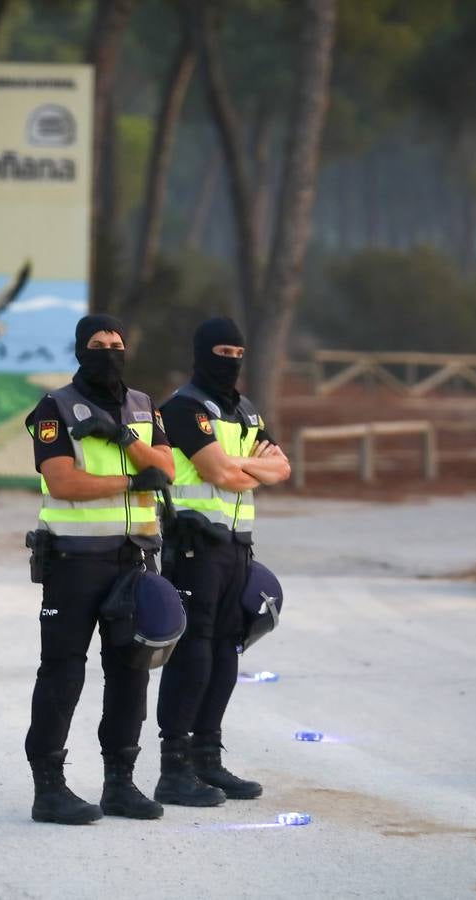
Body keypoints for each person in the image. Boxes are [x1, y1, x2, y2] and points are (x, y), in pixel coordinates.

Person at [23, 314, 176, 825]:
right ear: (80, 351)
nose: (109, 351)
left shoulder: (142, 405)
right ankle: (49, 788)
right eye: (98, 344)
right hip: (74, 561)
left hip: (133, 560)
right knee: (63, 672)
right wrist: (135, 480)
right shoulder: (55, 407)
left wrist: (120, 438)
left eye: (116, 343)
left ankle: (120, 783)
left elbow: (168, 471)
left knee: (131, 673)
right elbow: (63, 481)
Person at [154, 316, 291, 806]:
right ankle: (174, 769)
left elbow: (282, 467)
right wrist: (250, 469)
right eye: (222, 353)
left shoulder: (246, 411)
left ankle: (208, 760)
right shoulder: (183, 408)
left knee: (226, 652)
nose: (230, 362)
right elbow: (216, 471)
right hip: (194, 545)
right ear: (201, 353)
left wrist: (241, 469)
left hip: (237, 547)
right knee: (192, 653)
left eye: (238, 354)